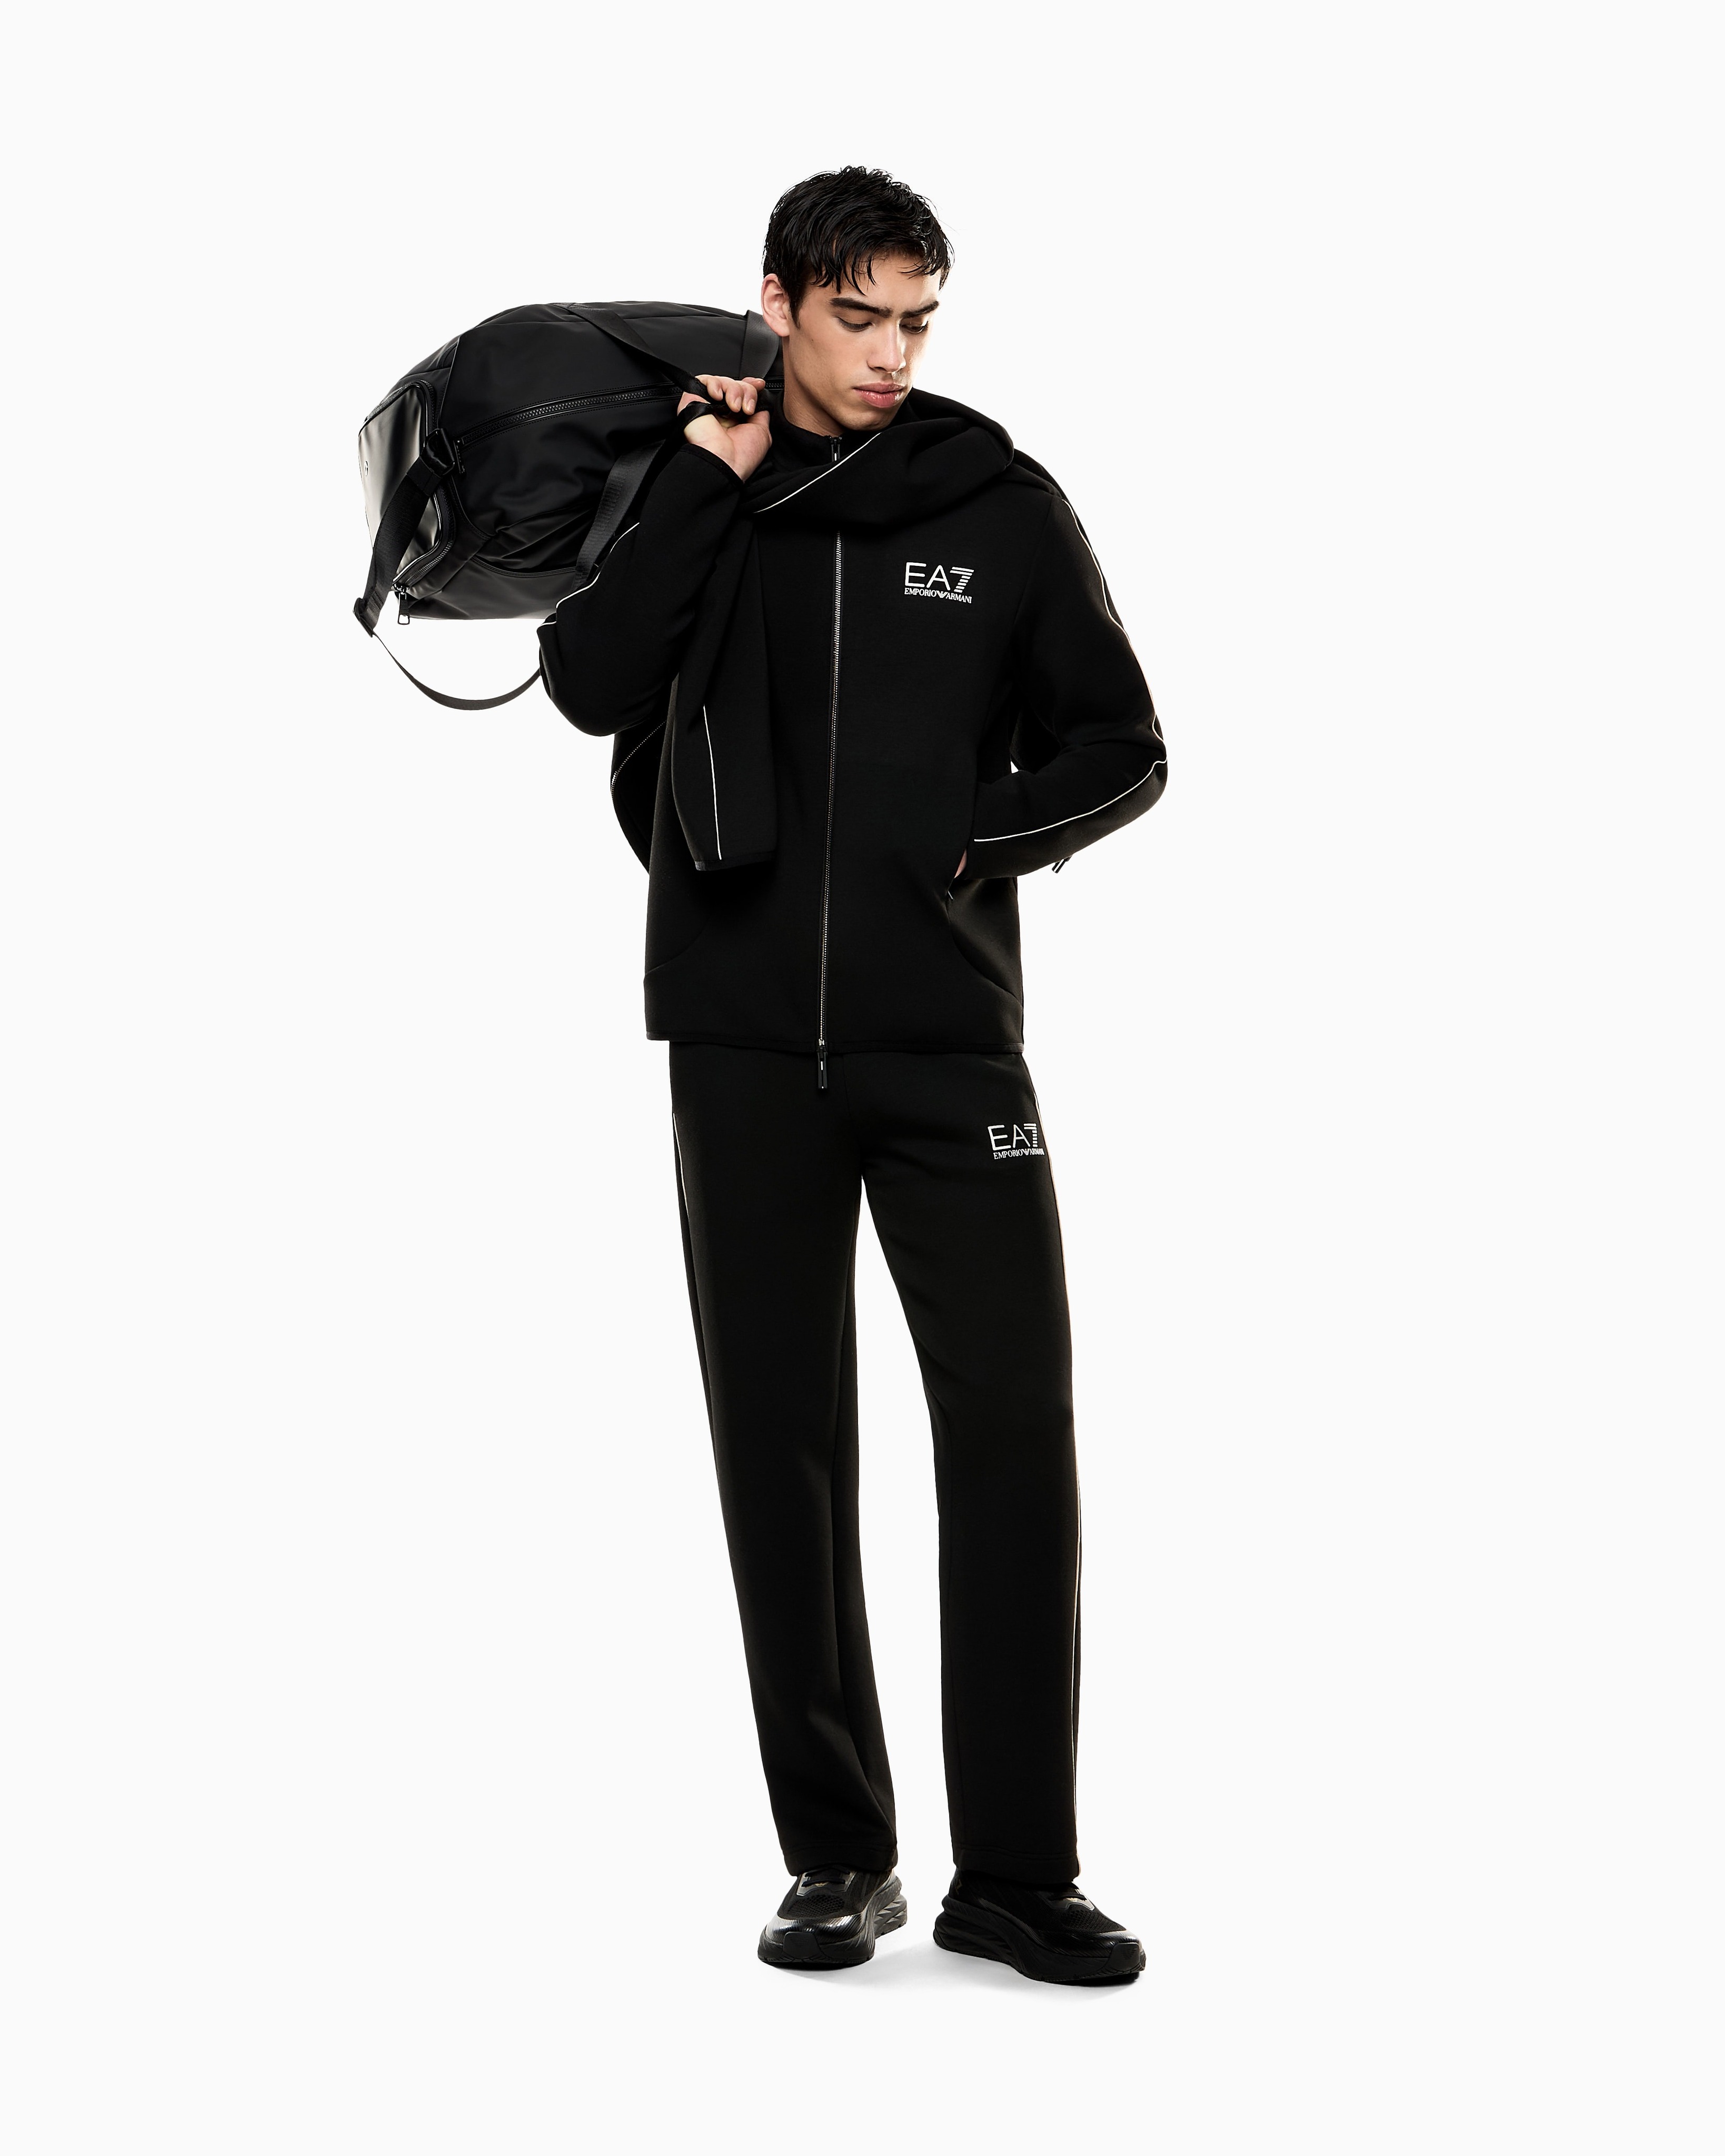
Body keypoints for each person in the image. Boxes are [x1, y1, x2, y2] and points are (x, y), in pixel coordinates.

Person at [539, 167, 1165, 1985]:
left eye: (919, 321)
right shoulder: (700, 489)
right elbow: (590, 684)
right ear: (779, 302)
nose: (893, 355)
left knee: (1015, 1439)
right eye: (859, 317)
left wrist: (967, 846)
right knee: (781, 1455)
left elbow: (1125, 745)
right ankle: (839, 1858)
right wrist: (704, 484)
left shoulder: (1000, 503)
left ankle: (1019, 1874)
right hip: (739, 1048)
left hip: (946, 1044)